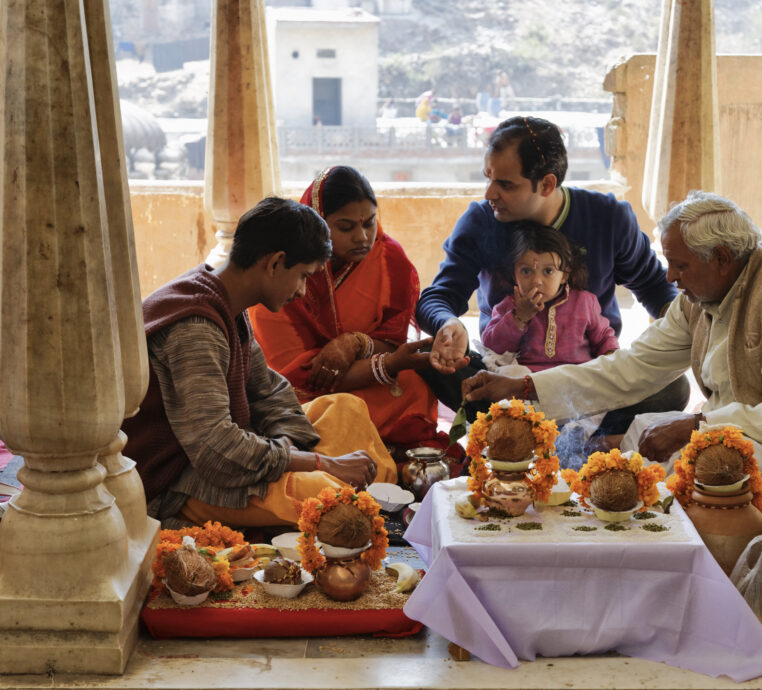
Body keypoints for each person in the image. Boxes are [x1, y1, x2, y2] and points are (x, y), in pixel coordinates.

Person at [463, 190, 762, 516]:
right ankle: (632, 532)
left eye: (680, 265)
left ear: (722, 258)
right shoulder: (700, 295)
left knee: (696, 460)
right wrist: (522, 387)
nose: (670, 277)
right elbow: (630, 368)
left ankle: (673, 550)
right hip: (726, 430)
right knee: (643, 429)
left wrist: (695, 425)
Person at [123, 197, 396, 529]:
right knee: (329, 499)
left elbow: (268, 390)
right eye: (302, 276)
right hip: (181, 480)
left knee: (345, 409)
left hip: (236, 451)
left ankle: (366, 503)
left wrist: (289, 449)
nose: (301, 291)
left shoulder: (227, 300)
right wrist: (318, 463)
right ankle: (365, 516)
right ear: (275, 263)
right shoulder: (196, 329)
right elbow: (216, 450)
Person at [416, 115, 686, 433]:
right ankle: (561, 435)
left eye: (505, 184)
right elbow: (438, 297)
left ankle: (542, 435)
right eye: (487, 178)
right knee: (424, 356)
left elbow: (656, 288)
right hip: (504, 376)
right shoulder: (481, 220)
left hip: (587, 379)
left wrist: (688, 329)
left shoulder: (607, 217)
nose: (489, 193)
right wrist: (449, 324)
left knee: (673, 386)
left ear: (546, 184)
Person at [249, 166, 444, 454]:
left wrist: (354, 343)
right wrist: (385, 365)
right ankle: (375, 447)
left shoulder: (390, 259)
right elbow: (299, 374)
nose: (363, 237)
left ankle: (371, 445)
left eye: (369, 223)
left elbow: (392, 339)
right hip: (307, 393)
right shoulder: (283, 273)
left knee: (413, 384)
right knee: (330, 411)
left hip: (370, 379)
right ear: (317, 223)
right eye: (346, 227)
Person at [481, 221, 617, 372]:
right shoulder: (510, 305)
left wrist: (612, 357)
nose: (536, 281)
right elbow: (492, 347)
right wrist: (519, 318)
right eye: (526, 271)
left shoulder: (584, 302)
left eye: (548, 271)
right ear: (514, 274)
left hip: (577, 377)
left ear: (564, 275)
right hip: (526, 380)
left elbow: (604, 338)